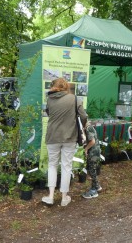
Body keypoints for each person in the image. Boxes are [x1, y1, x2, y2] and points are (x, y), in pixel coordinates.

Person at [42, 78, 87, 206]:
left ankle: (50, 196)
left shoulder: (50, 99)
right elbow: (83, 116)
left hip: (53, 137)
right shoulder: (74, 99)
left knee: (52, 165)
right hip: (69, 137)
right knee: (66, 166)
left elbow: (49, 113)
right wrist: (82, 126)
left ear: (54, 86)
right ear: (66, 87)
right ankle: (64, 197)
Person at [81, 119, 102, 199]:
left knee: (92, 170)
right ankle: (95, 187)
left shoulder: (88, 128)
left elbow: (92, 141)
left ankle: (96, 188)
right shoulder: (88, 128)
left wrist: (86, 149)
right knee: (92, 170)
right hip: (95, 151)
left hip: (93, 152)